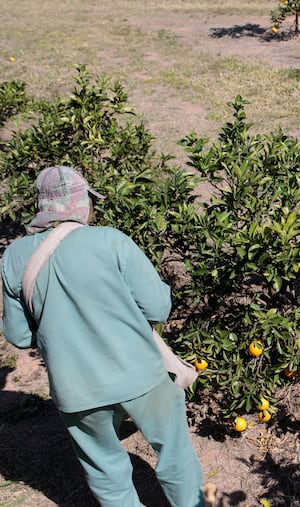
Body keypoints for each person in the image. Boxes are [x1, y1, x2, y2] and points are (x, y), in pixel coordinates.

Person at [1, 166, 204, 507]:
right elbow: (157, 308)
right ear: (83, 203)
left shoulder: (14, 258)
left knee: (106, 472)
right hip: (142, 377)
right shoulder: (110, 240)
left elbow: (20, 336)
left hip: (76, 390)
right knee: (175, 454)